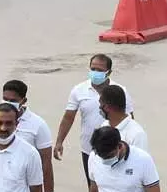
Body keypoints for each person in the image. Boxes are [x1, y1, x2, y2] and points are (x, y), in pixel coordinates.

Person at [54, 54, 134, 182]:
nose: (95, 72)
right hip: (89, 149)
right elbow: (68, 118)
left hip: (114, 149)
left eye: (100, 70)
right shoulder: (78, 90)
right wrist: (59, 142)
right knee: (93, 187)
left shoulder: (120, 91)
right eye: (93, 69)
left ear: (109, 72)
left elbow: (129, 119)